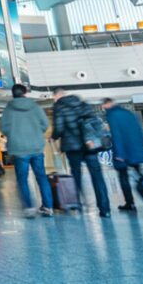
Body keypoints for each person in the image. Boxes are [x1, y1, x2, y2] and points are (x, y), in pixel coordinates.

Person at [52, 89, 111, 217]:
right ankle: (105, 208)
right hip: (89, 145)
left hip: (72, 146)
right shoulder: (83, 104)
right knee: (97, 176)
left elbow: (59, 128)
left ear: (57, 96)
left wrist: (54, 136)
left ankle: (77, 204)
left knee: (76, 175)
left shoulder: (59, 107)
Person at [0, 84, 53, 218]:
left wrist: (14, 135)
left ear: (13, 94)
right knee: (41, 177)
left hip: (19, 149)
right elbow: (45, 124)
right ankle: (48, 207)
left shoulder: (9, 109)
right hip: (36, 147)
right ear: (25, 93)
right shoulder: (35, 107)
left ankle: (29, 208)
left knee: (22, 179)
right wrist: (35, 133)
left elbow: (3, 127)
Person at [102, 98, 143, 212]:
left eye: (104, 106)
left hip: (123, 152)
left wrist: (119, 153)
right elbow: (139, 131)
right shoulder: (128, 113)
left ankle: (129, 202)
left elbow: (116, 134)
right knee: (141, 176)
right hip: (135, 150)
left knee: (123, 177)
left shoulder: (112, 115)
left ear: (107, 104)